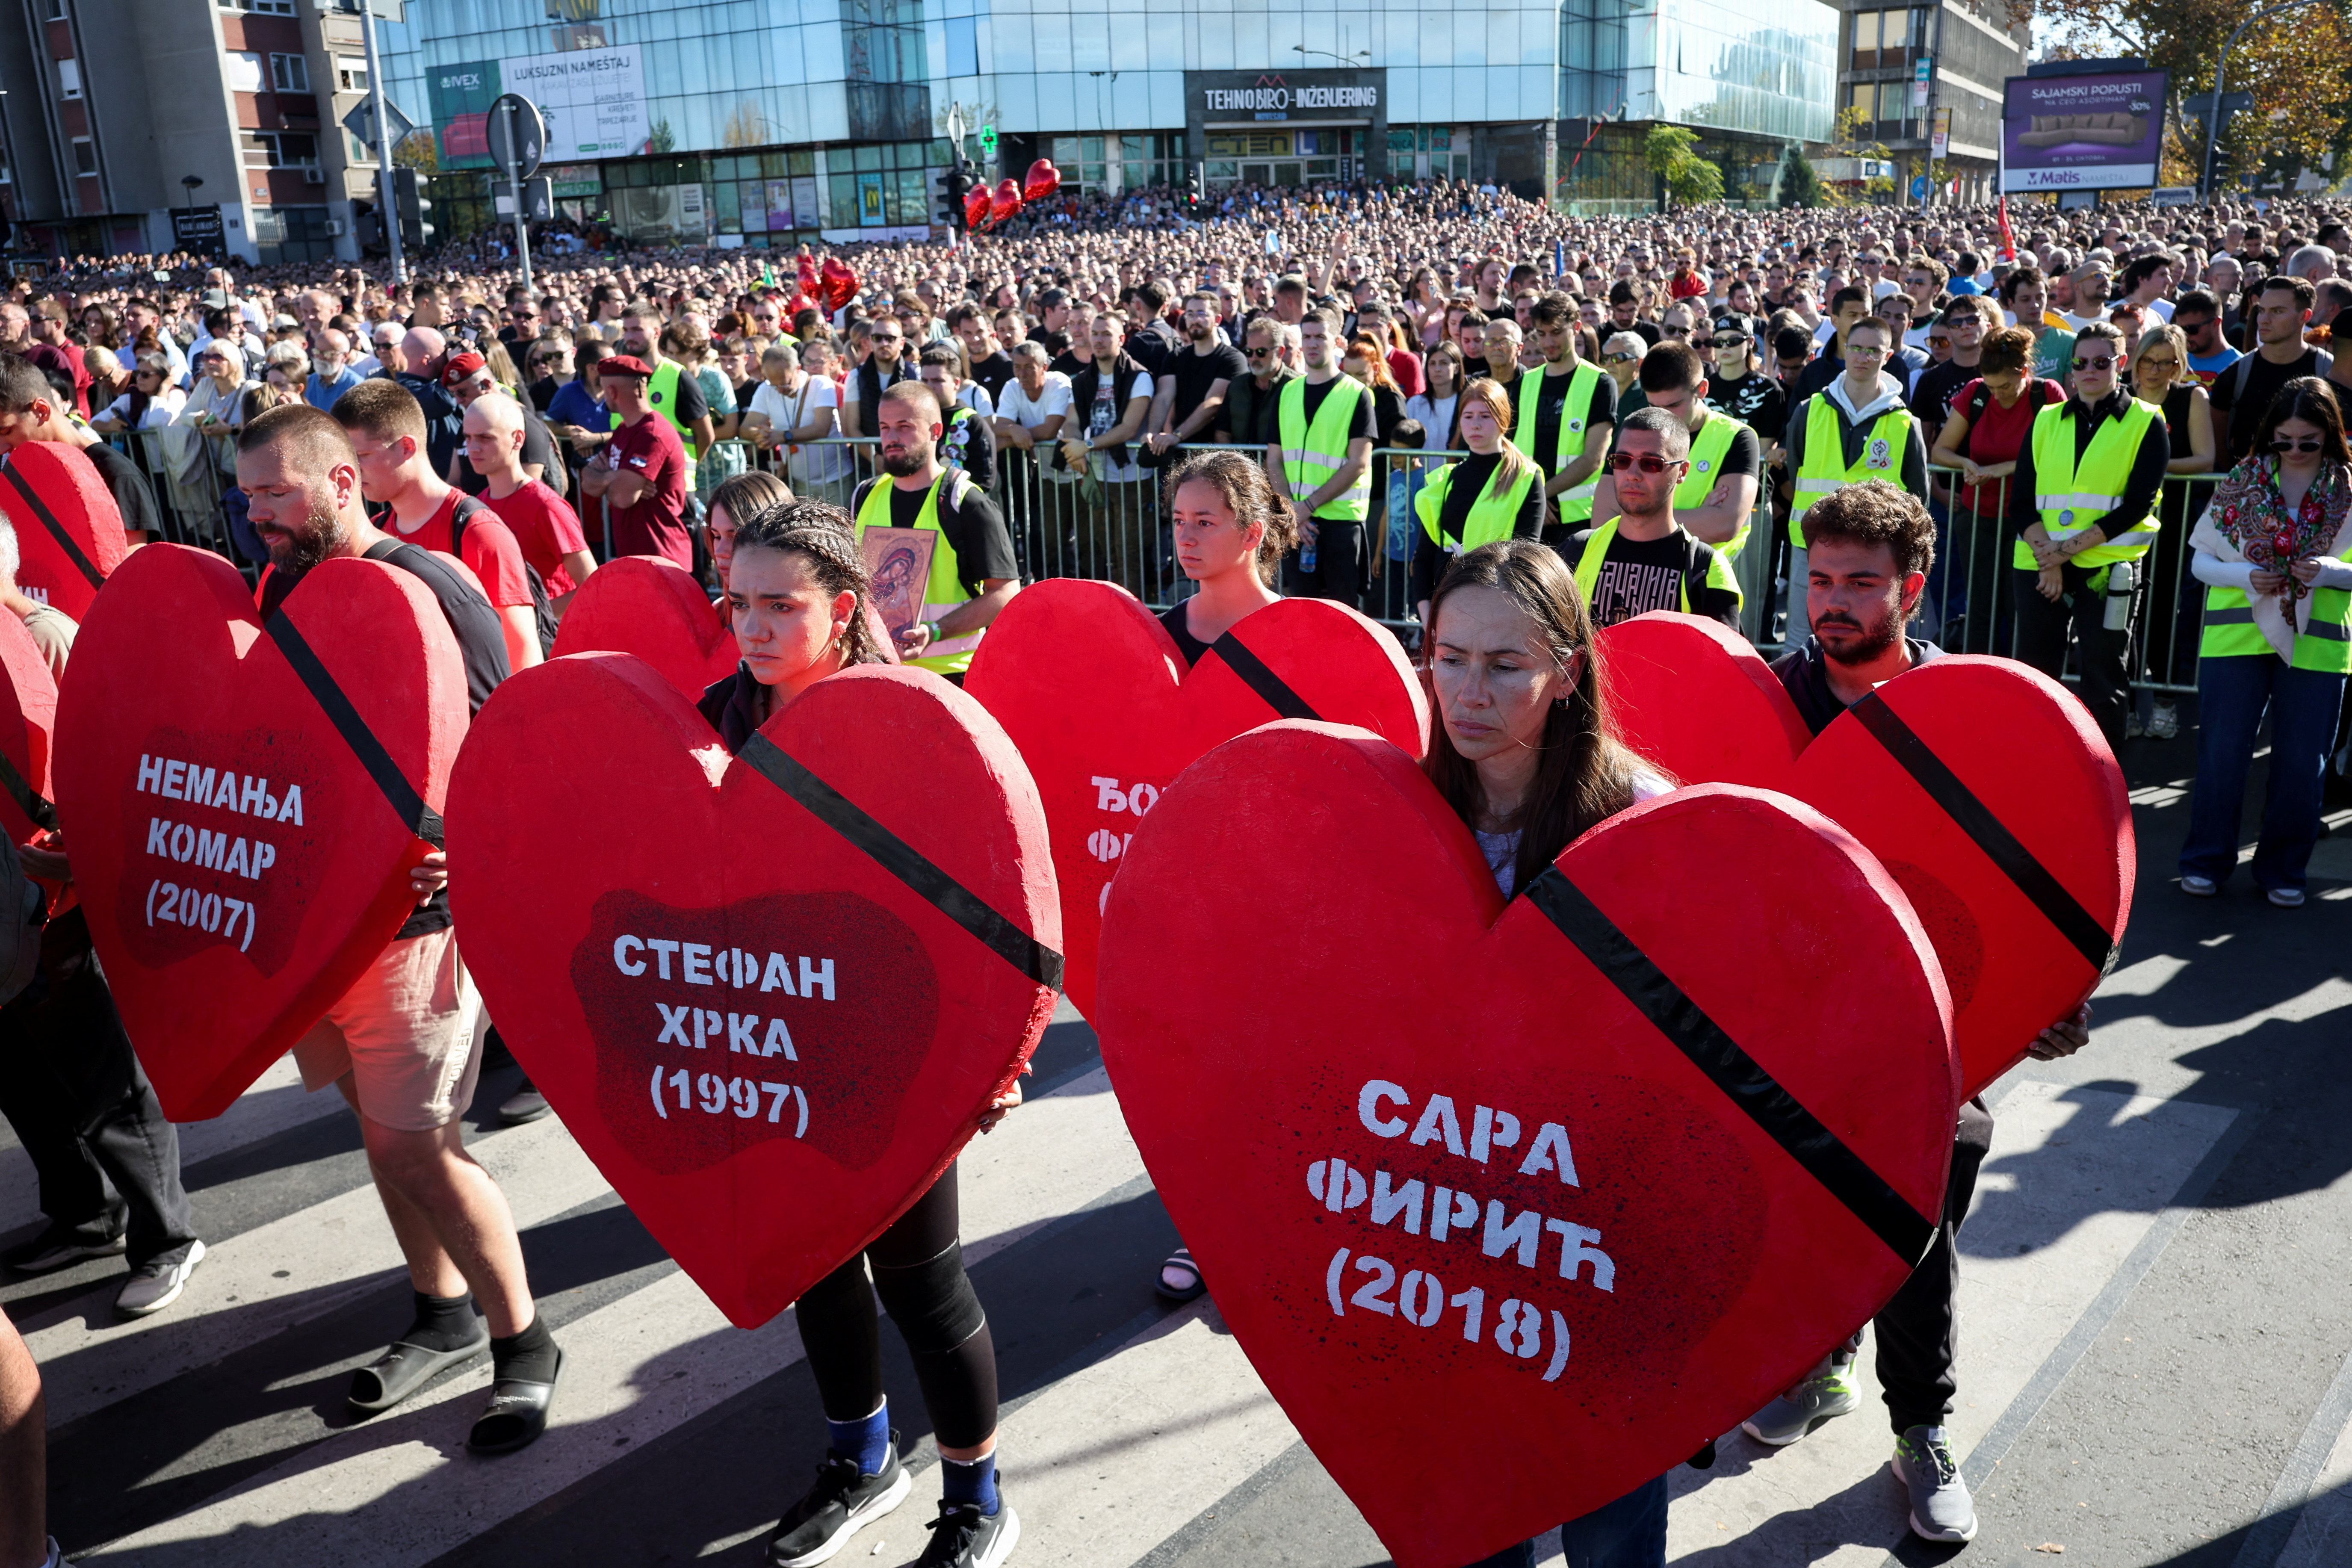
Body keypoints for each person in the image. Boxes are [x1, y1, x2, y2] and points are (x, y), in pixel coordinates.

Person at [1743, 480, 2093, 1546]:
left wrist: (2050, 995)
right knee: (1801, 1207)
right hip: (1789, 1014)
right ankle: (1819, 1357)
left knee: (1916, 1211)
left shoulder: (1965, 710)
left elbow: (2041, 865)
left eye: (1859, 582)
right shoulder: (1768, 698)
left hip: (1930, 1023)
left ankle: (1920, 1428)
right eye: (1818, 581)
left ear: (1912, 588)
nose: (1831, 603)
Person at [690, 499, 1020, 1568]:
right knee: (815, 1261)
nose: (752, 626)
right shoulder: (713, 717)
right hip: (772, 1038)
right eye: (738, 602)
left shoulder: (913, 722)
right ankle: (861, 1460)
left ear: (841, 613)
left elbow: (994, 906)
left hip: (899, 1047)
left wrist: (1003, 1054)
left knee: (921, 1281)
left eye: (780, 606)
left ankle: (975, 1498)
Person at [235, 402, 561, 1454]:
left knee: (419, 1146)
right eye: (247, 495)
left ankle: (524, 1341)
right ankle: (441, 1312)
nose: (258, 515)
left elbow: (510, 743)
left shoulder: (434, 582)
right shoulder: (280, 587)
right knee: (381, 1133)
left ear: (342, 483)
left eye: (277, 492)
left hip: (422, 924)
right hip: (319, 921)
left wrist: (472, 849)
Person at [1427, 538, 1675, 1568]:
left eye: (1503, 665)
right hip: (1445, 1224)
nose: (1466, 691)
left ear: (1567, 670)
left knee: (1607, 1511)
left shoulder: (1642, 820)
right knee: (1466, 1500)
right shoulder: (1396, 811)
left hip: (1597, 1234)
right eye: (1448, 657)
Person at [0, 513, 204, 1317]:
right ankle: (84, 1213)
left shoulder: (45, 635)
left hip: (53, 894)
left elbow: (111, 756)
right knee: (19, 1073)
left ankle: (167, 1235)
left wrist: (82, 862)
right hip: (9, 895)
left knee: (97, 1069)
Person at [2179, 378, 2352, 908]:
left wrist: (2329, 572)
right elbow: (2200, 560)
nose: (2294, 450)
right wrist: (2245, 576)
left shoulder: (2348, 489)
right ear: (2269, 434)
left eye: (2308, 441)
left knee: (2302, 764)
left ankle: (2283, 869)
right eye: (2283, 440)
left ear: (2330, 435)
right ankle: (2205, 861)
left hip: (2318, 643)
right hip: (2236, 638)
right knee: (2222, 756)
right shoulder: (2242, 482)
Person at [2005, 322, 2169, 751]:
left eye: (2101, 362)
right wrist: (2051, 558)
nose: (2089, 370)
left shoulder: (2146, 421)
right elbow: (2021, 502)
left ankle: (2102, 776)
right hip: (2040, 567)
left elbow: (2137, 506)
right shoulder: (2046, 418)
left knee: (2103, 677)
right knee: (2035, 675)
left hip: (2107, 569)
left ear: (2122, 363)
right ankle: (2032, 764)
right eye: (2080, 362)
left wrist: (2060, 554)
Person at [331, 379, 547, 674]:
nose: (350, 471)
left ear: (407, 448)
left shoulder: (478, 531)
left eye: (361, 456)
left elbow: (523, 659)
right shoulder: (374, 531)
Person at [853, 382, 1020, 679]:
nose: (892, 438)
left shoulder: (965, 501)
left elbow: (1006, 592)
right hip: (879, 671)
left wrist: (936, 630)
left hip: (954, 675)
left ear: (936, 431)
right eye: (884, 428)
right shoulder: (864, 495)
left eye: (905, 427)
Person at [1783, 316, 1929, 638]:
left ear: (1887, 357)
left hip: (1874, 555)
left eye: (1873, 350)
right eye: (1856, 348)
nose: (1863, 357)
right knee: (1800, 638)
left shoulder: (1906, 423)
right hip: (1812, 545)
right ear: (1845, 349)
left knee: (1867, 639)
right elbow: (1796, 472)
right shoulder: (1808, 411)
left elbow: (1918, 499)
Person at [1927, 325, 2063, 649]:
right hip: (1979, 518)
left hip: (2030, 521)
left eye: (2005, 386)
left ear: (2024, 373)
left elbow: (2062, 455)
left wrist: (2011, 467)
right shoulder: (1976, 393)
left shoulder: (2047, 394)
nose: (1997, 394)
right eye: (1991, 387)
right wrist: (1965, 463)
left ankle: (2019, 674)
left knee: (2022, 605)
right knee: (1980, 608)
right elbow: (1940, 451)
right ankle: (1979, 674)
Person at [1561, 406, 1742, 632]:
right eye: (1622, 461)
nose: (1633, 475)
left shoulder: (1706, 569)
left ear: (1683, 472)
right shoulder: (1576, 550)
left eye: (1651, 464)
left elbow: (1723, 654)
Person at [2130, 323, 2219, 739]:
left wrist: (2152, 469)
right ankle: (2129, 706)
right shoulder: (2122, 398)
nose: (2153, 370)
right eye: (2147, 360)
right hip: (2123, 520)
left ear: (2178, 365)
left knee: (2164, 611)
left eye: (2164, 363)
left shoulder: (2191, 397)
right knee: (2123, 612)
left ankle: (2165, 702)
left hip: (2174, 519)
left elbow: (2205, 459)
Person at [1592, 341, 1761, 555]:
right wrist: (1699, 515)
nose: (1663, 416)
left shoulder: (1737, 437)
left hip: (1701, 573)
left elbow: (1725, 525)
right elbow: (1602, 521)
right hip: (1637, 566)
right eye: (1654, 406)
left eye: (1673, 405)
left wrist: (1634, 516)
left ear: (1702, 390)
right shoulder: (1633, 432)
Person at [1409, 378, 1545, 623]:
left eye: (1485, 416)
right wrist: (1429, 620)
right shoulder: (1445, 480)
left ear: (1503, 419)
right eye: (1468, 416)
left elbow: (1525, 559)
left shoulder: (1526, 477)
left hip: (1498, 612)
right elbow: (1424, 558)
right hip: (1445, 609)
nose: (1476, 424)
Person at [1265, 307, 1375, 608]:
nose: (1312, 344)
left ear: (1337, 341)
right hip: (1299, 523)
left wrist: (1307, 507)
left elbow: (1359, 463)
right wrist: (1292, 511)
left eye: (1320, 337)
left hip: (1341, 523)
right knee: (1301, 611)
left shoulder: (1357, 394)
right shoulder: (1287, 392)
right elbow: (1274, 460)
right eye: (1307, 337)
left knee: (1342, 613)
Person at [0, 356, 160, 544]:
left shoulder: (115, 473)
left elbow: (131, 558)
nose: (2, 449)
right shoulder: (20, 476)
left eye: (6, 431)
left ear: (41, 411)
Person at [465, 390, 596, 611]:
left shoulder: (547, 506)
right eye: (468, 438)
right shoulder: (478, 506)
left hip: (552, 630)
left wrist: (535, 618)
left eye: (485, 438)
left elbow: (592, 584)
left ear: (518, 439)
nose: (473, 448)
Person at [1058, 314, 1156, 596]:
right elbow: (1072, 421)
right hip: (1097, 477)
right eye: (1096, 333)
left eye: (1107, 334)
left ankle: (1137, 613)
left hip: (1132, 479)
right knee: (1104, 550)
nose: (1099, 340)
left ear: (1121, 339)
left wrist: (1087, 446)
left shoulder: (1139, 377)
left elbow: (1129, 428)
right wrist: (1075, 447)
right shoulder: (1083, 380)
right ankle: (1112, 612)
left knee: (1130, 552)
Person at [1513, 293, 1616, 541]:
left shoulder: (1600, 383)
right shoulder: (1525, 382)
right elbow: (1511, 451)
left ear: (1576, 328)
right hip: (1528, 514)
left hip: (1578, 520)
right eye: (1541, 334)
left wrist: (1540, 494)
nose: (1548, 342)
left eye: (1557, 332)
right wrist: (1535, 499)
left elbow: (1594, 458)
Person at [580, 353, 694, 570]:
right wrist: (616, 477)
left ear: (612, 392)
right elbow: (587, 480)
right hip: (638, 557)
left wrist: (611, 483)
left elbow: (622, 497)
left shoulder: (653, 434)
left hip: (662, 559)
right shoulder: (624, 429)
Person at [2211, 277, 2334, 468]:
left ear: (2305, 316)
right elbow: (2219, 447)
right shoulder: (2235, 375)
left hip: (2318, 484)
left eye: (2277, 311)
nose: (2264, 320)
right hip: (2249, 484)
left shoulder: (2330, 371)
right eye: (2261, 311)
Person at [1143, 291, 1245, 464]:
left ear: (1218, 319)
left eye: (1202, 314)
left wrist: (1177, 435)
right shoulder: (1175, 357)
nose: (1194, 320)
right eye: (1189, 314)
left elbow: (1213, 403)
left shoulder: (1233, 359)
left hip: (1216, 456)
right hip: (1180, 455)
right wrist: (1152, 432)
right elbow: (1164, 397)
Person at [744, 343, 848, 498]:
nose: (780, 390)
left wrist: (784, 436)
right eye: (774, 385)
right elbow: (746, 428)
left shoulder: (821, 384)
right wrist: (762, 435)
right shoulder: (766, 389)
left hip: (834, 482)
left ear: (798, 369)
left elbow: (821, 428)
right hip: (798, 484)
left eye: (785, 384)